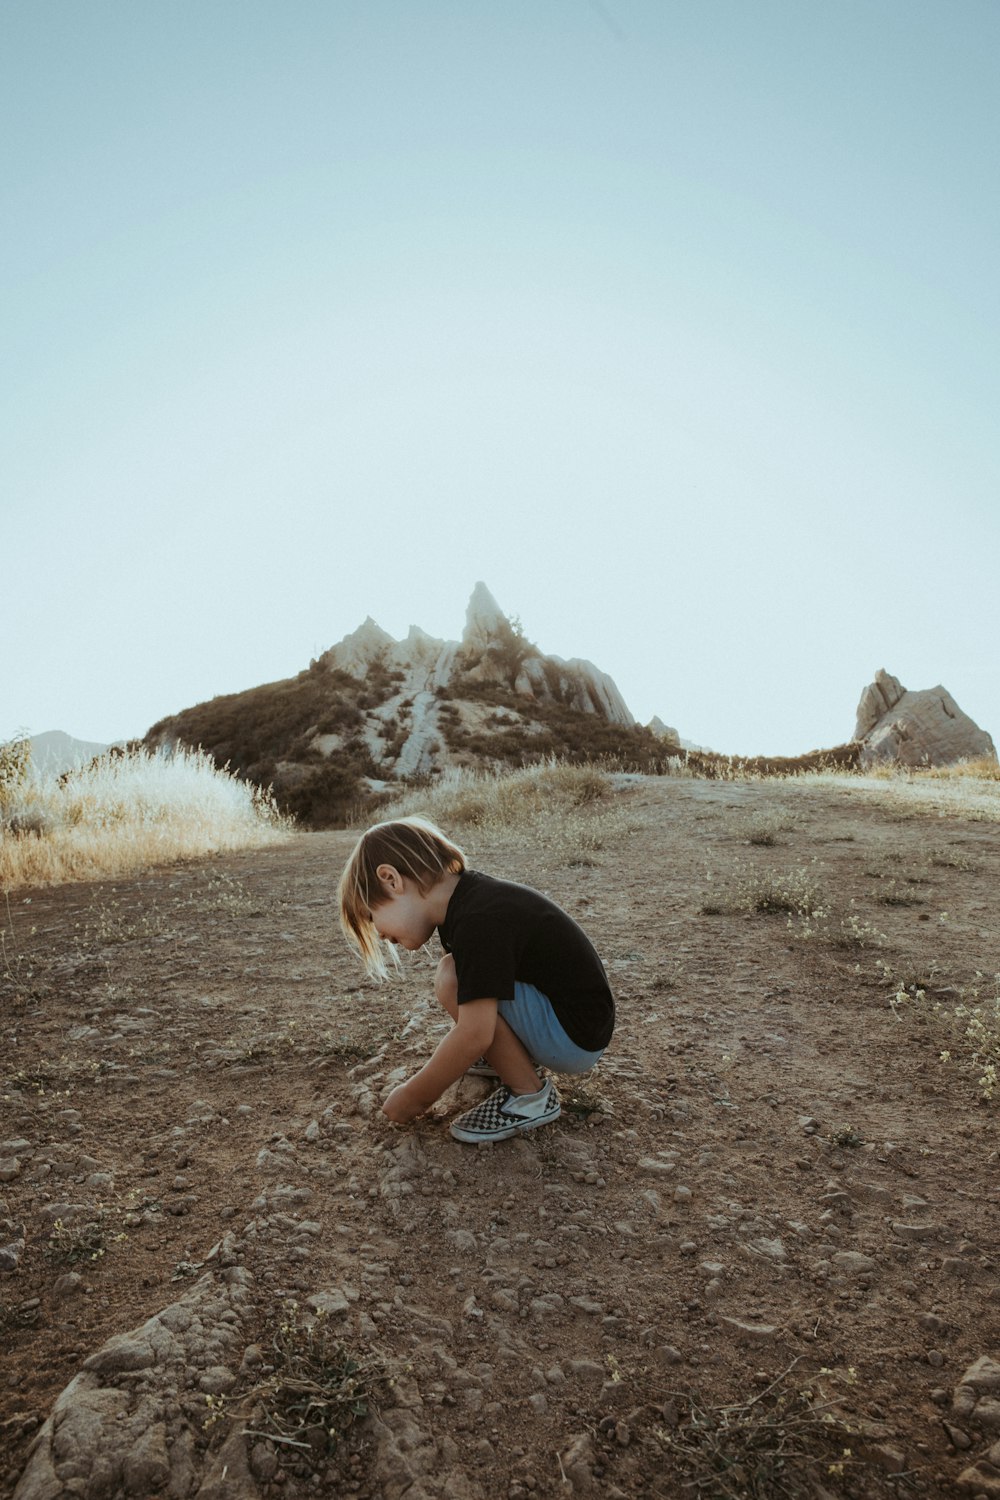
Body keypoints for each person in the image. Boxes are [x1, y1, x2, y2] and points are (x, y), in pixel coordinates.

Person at [338, 816, 615, 1143]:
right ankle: (512, 1060)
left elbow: (474, 1033)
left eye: (372, 917)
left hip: (574, 1035)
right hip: (572, 1027)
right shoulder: (467, 904)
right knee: (454, 975)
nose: (380, 934)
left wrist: (415, 1097)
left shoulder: (478, 918)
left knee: (452, 979)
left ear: (391, 880)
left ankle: (529, 1094)